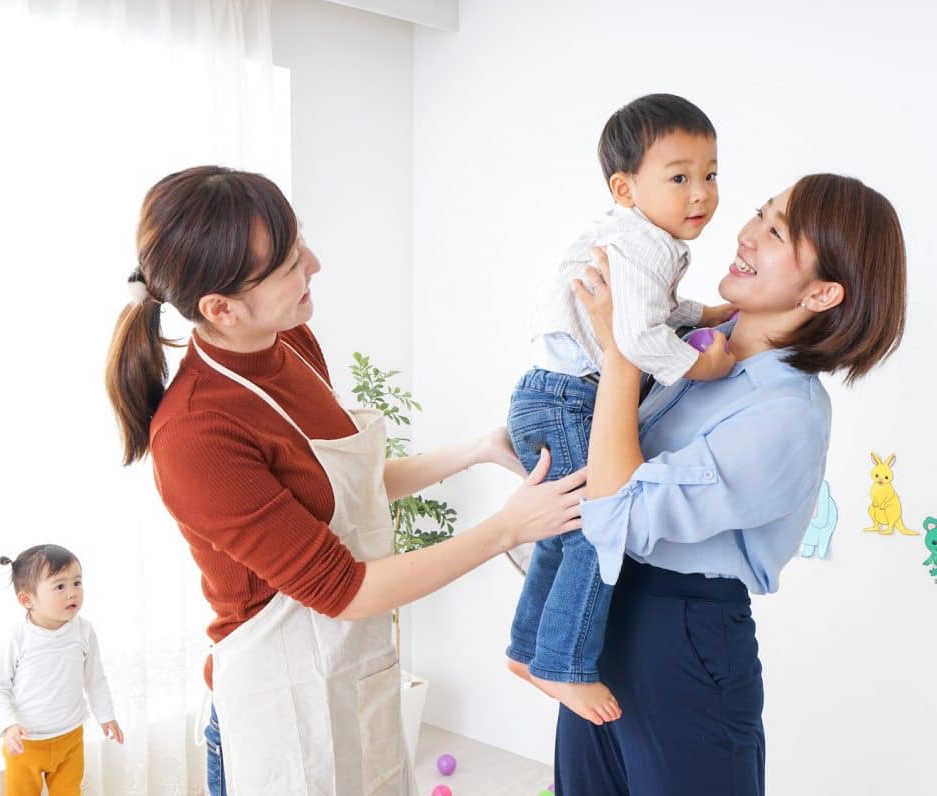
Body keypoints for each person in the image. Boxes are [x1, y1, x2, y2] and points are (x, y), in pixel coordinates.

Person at [104, 166, 584, 796]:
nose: (315, 264)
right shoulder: (197, 434)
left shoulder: (291, 340)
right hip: (278, 709)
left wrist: (473, 451)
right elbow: (345, 589)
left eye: (300, 241)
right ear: (220, 308)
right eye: (287, 264)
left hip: (349, 675)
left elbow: (341, 496)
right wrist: (507, 529)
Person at [550, 174, 906, 795]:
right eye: (759, 214)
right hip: (601, 614)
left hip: (681, 639)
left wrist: (620, 350)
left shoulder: (786, 410)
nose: (746, 234)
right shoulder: (690, 353)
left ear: (823, 293)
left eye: (776, 232)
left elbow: (617, 513)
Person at [506, 93, 735, 720]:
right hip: (573, 397)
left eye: (711, 174)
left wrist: (696, 314)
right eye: (680, 177)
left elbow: (643, 314)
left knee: (563, 529)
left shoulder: (630, 236)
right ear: (625, 187)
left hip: (545, 394)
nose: (702, 194)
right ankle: (563, 663)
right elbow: (631, 338)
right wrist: (702, 360)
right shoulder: (644, 245)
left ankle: (528, 647)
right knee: (599, 526)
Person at [0, 544, 124, 796]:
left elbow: (95, 678)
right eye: (60, 586)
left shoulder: (83, 630)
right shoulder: (18, 638)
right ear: (27, 599)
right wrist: (9, 725)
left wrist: (106, 715)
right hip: (26, 743)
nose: (72, 593)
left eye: (77, 583)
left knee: (69, 791)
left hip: (70, 737)